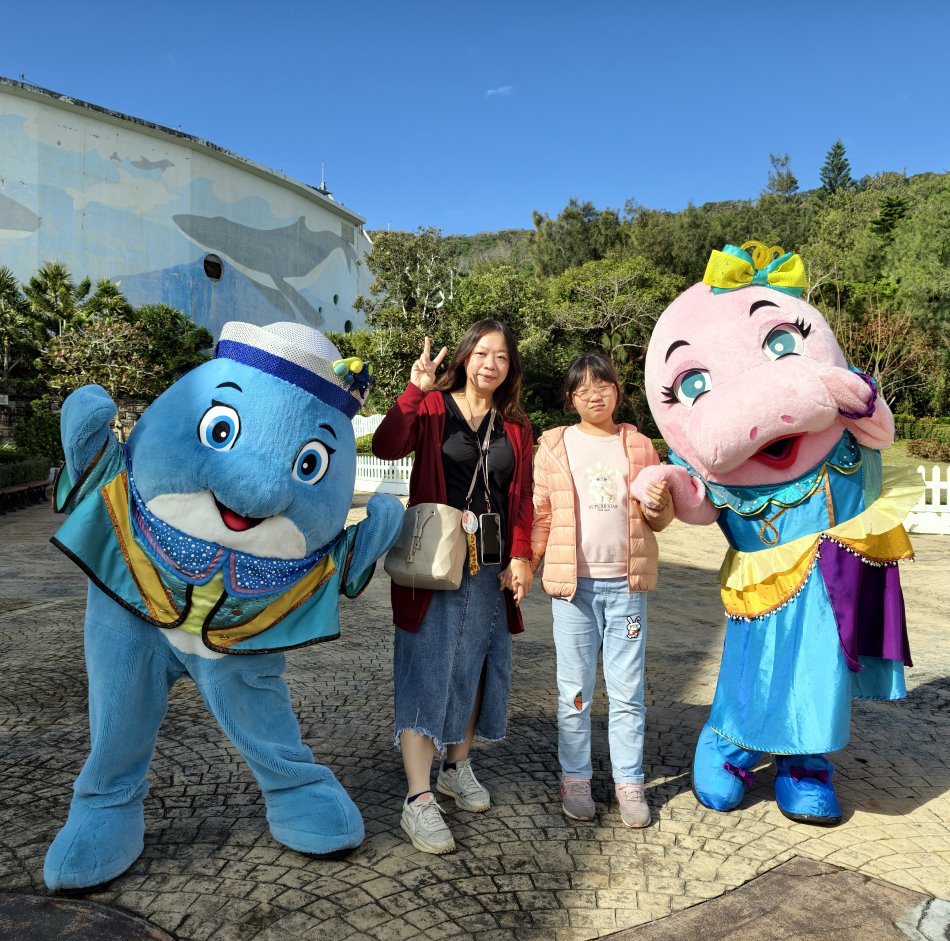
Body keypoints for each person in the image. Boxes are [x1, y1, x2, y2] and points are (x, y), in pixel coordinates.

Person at [372, 319, 534, 854]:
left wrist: (520, 554)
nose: (491, 363)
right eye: (482, 353)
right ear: (464, 357)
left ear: (510, 368)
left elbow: (522, 498)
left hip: (487, 567)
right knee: (427, 666)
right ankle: (418, 799)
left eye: (502, 357)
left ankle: (455, 767)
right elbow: (388, 444)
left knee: (475, 666)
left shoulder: (516, 427)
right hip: (434, 561)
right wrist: (415, 388)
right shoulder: (435, 408)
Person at [529, 352, 672, 827]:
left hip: (626, 589)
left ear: (618, 390)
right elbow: (541, 515)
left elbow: (660, 518)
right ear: (571, 398)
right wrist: (526, 563)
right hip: (573, 591)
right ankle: (575, 780)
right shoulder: (553, 445)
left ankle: (629, 785)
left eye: (603, 384)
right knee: (574, 691)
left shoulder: (638, 445)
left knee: (628, 691)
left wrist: (658, 504)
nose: (595, 394)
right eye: (583, 388)